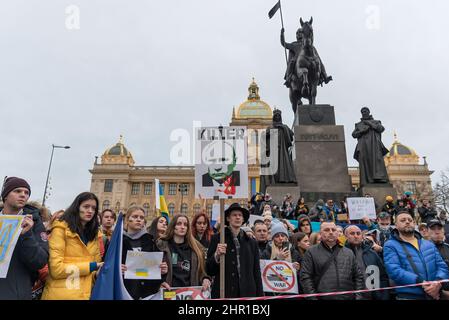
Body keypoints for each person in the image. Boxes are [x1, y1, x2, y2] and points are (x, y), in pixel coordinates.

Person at [42, 192, 103, 300]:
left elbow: (92, 274)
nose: (90, 211)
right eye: (86, 206)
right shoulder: (60, 229)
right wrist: (93, 266)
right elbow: (56, 269)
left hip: (85, 295)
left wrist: (99, 272)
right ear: (76, 207)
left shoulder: (94, 235)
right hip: (60, 295)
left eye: (93, 208)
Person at [0, 177, 49, 300]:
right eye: (17, 191)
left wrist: (26, 235)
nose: (23, 195)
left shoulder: (34, 223)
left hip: (15, 292)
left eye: (26, 192)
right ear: (5, 195)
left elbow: (40, 261)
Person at [383, 210, 449, 300]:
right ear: (396, 225)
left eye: (410, 220)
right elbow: (394, 271)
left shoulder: (428, 244)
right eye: (403, 220)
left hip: (435, 294)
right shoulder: (390, 245)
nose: (407, 222)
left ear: (414, 223)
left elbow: (442, 266)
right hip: (409, 296)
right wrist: (421, 282)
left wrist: (437, 283)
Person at [207, 203, 263, 298]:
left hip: (247, 293)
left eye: (240, 215)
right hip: (224, 292)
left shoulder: (251, 243)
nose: (237, 217)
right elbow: (209, 269)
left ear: (243, 219)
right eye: (234, 215)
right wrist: (216, 255)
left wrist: (260, 295)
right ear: (228, 218)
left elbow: (256, 272)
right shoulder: (217, 239)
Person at [300, 221, 365, 300]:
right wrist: (313, 298)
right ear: (320, 233)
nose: (331, 232)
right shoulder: (311, 252)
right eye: (327, 230)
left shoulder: (348, 253)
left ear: (337, 233)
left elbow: (358, 276)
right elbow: (306, 277)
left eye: (333, 230)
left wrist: (358, 297)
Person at [121, 206, 168, 300]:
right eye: (135, 217)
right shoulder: (118, 241)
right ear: (127, 220)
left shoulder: (151, 241)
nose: (138, 220)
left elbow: (156, 271)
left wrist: (163, 271)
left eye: (141, 218)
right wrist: (117, 269)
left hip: (147, 294)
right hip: (125, 292)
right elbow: (107, 265)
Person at [156, 214, 210, 291]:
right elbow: (153, 271)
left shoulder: (196, 248)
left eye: (185, 224)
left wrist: (205, 279)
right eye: (179, 224)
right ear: (173, 226)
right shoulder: (161, 245)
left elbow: (202, 271)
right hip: (169, 292)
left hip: (190, 293)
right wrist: (160, 281)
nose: (182, 227)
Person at [344, 225, 390, 300]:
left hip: (373, 296)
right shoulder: (341, 254)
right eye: (352, 233)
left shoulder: (372, 253)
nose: (356, 236)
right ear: (346, 236)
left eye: (358, 233)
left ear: (362, 236)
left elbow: (383, 277)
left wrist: (384, 296)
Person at [352, 107, 389, 186]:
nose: (364, 112)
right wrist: (362, 131)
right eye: (362, 112)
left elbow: (381, 129)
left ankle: (379, 179)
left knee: (376, 161)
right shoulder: (358, 124)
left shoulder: (376, 122)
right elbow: (354, 135)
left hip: (374, 145)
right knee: (364, 161)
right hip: (363, 145)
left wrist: (370, 124)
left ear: (369, 112)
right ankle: (366, 181)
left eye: (365, 111)